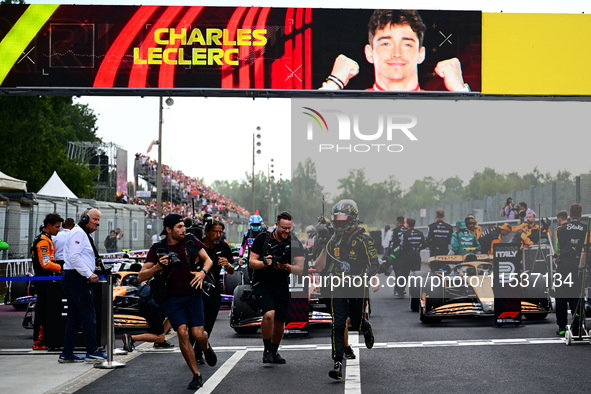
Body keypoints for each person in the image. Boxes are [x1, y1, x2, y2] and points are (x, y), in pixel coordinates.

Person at [138, 214, 217, 390]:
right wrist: (158, 266)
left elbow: (208, 260)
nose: (183, 230)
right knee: (182, 333)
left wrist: (203, 273)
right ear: (169, 230)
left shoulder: (189, 240)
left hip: (193, 294)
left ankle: (205, 346)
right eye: (179, 227)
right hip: (172, 298)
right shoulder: (158, 248)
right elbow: (140, 276)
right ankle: (196, 375)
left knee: (198, 334)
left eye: (183, 226)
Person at [320, 9, 469, 92]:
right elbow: (305, 134)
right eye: (386, 44)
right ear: (369, 53)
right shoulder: (349, 106)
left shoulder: (442, 107)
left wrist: (460, 91)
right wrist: (333, 84)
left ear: (420, 54)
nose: (397, 53)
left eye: (407, 44)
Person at [314, 200, 379, 380]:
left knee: (356, 321)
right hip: (338, 287)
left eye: (342, 219)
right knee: (338, 323)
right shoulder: (333, 239)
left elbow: (375, 264)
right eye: (336, 219)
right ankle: (337, 363)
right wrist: (322, 240)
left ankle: (365, 327)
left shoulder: (364, 239)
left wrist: (365, 277)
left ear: (352, 218)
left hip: (358, 286)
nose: (338, 222)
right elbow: (323, 265)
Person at [249, 211, 305, 365]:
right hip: (262, 281)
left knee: (280, 321)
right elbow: (251, 262)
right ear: (277, 225)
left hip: (281, 283)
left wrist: (285, 266)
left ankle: (274, 351)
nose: (287, 231)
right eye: (283, 228)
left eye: (289, 228)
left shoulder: (295, 242)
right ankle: (266, 350)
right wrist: (264, 263)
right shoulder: (263, 238)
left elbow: (300, 268)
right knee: (269, 314)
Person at [59, 208, 107, 363]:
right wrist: (89, 273)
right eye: (95, 219)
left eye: (99, 220)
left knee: (75, 317)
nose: (98, 223)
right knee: (88, 315)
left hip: (74, 276)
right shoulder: (79, 233)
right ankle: (92, 351)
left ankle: (67, 353)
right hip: (76, 277)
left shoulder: (82, 233)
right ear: (85, 218)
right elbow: (73, 257)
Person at [193, 218, 235, 364]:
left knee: (208, 324)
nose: (218, 235)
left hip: (213, 289)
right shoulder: (196, 245)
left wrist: (227, 264)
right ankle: (196, 350)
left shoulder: (224, 247)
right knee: (195, 324)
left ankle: (199, 351)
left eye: (220, 232)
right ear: (206, 232)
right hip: (195, 288)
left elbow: (231, 270)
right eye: (215, 232)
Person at [555, 203, 588, 337]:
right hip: (578, 265)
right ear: (580, 215)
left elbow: (558, 248)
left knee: (561, 296)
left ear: (569, 214)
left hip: (563, 265)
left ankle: (562, 327)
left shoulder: (561, 229)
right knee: (576, 295)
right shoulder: (586, 229)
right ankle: (576, 326)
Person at [31, 213, 63, 350]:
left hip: (47, 281)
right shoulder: (43, 241)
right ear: (48, 226)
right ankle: (38, 342)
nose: (59, 230)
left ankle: (44, 340)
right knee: (42, 311)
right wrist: (61, 268)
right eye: (56, 227)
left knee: (47, 311)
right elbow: (45, 264)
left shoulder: (47, 238)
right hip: (43, 281)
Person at [396, 218, 426, 297]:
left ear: (407, 224)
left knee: (404, 274)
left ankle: (401, 291)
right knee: (416, 274)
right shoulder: (420, 233)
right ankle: (417, 291)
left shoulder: (405, 234)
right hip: (416, 256)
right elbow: (425, 244)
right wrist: (419, 249)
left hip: (407, 257)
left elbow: (402, 246)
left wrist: (399, 255)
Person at [240, 214, 264, 282]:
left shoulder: (264, 234)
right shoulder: (247, 234)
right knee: (250, 274)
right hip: (250, 258)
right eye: (254, 224)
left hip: (261, 258)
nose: (255, 226)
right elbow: (243, 246)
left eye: (257, 224)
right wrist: (240, 257)